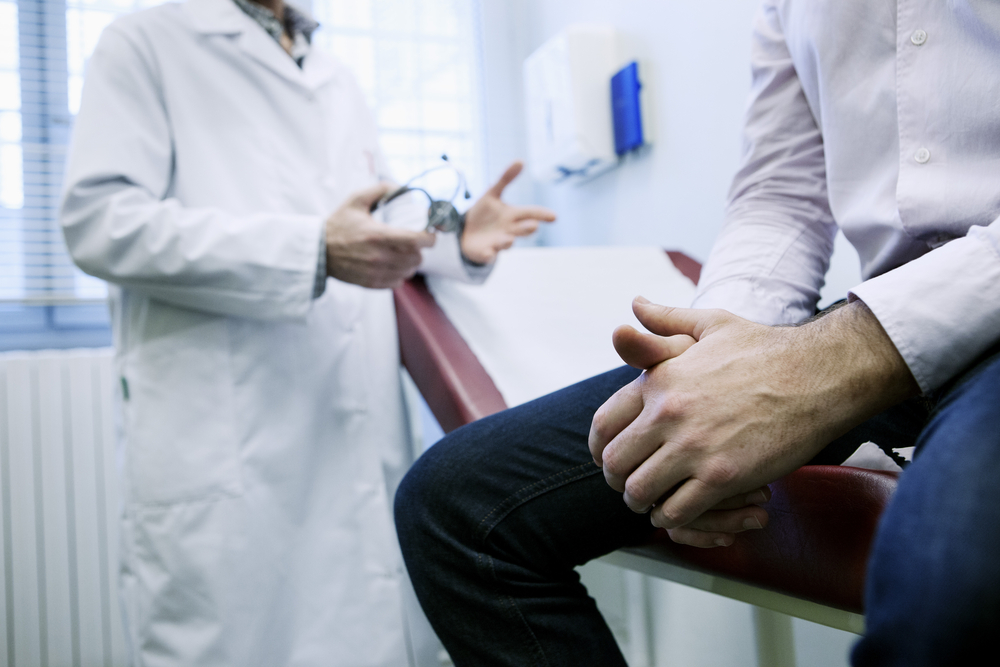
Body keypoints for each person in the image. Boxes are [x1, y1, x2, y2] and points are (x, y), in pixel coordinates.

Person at [394, 1, 1000, 665]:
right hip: (874, 313)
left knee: (953, 583)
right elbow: (780, 194)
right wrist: (708, 367)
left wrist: (849, 352)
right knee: (458, 507)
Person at [58, 0, 555, 665]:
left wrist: (452, 241)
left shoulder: (337, 76)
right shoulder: (145, 43)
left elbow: (367, 237)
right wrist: (310, 249)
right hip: (228, 442)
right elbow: (100, 221)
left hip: (351, 425)